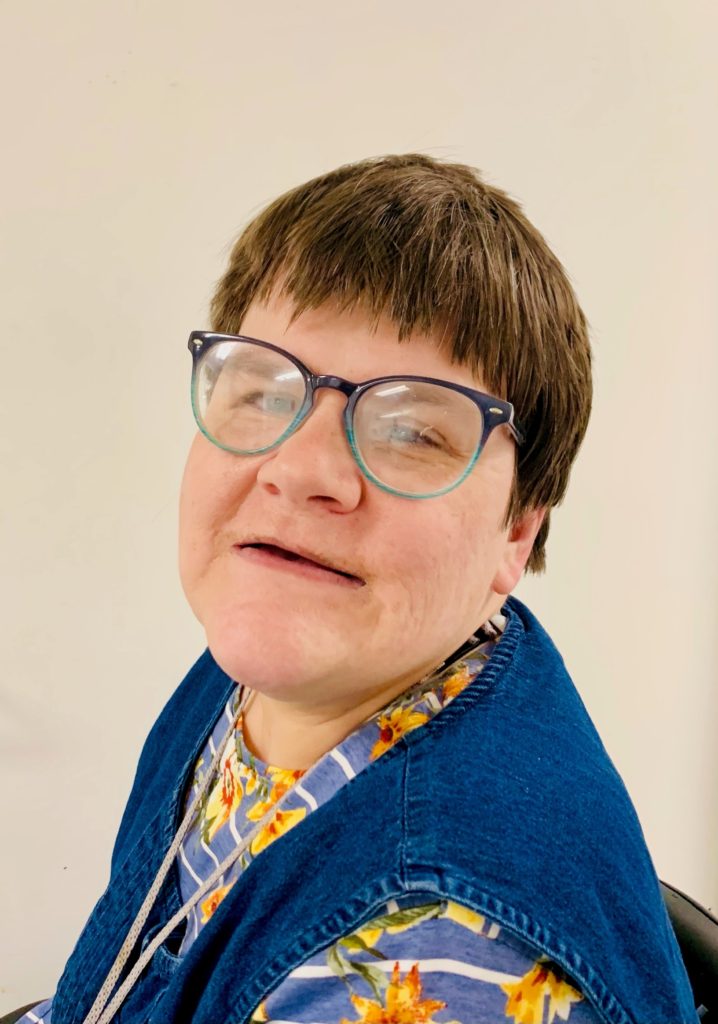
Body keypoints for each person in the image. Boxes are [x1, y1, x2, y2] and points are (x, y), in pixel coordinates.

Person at [12, 154, 696, 1024]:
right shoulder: (277, 668)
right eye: (263, 390)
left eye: (412, 431)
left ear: (516, 533)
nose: (299, 470)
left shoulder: (433, 952)